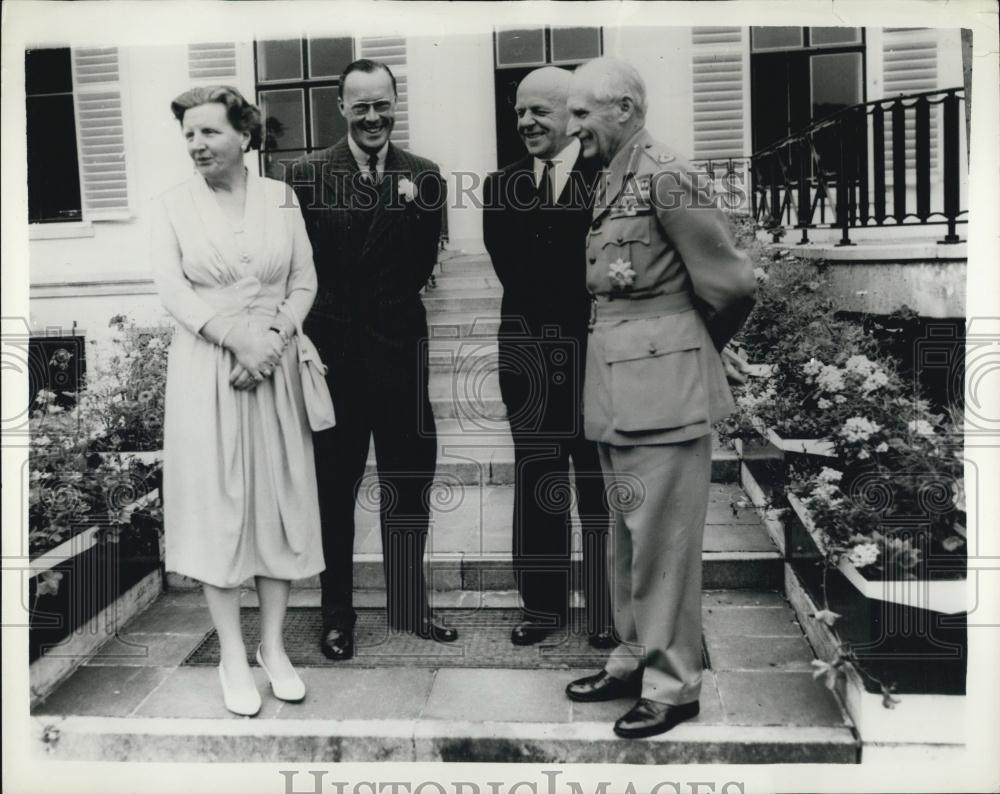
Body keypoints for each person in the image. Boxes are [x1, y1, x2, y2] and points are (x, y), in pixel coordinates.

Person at [561, 57, 756, 738]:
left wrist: (687, 350)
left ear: (623, 108)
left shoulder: (667, 175)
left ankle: (675, 686)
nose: (571, 125)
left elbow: (732, 285)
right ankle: (634, 655)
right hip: (616, 386)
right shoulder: (614, 176)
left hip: (664, 387)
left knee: (664, 545)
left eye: (582, 113)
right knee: (626, 538)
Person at [152, 86, 323, 716]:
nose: (197, 145)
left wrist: (272, 341)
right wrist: (237, 343)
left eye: (210, 132)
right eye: (189, 134)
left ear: (246, 136)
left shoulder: (280, 197)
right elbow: (173, 290)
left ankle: (273, 648)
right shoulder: (171, 206)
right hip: (209, 370)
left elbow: (304, 278)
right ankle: (230, 653)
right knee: (219, 506)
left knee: (276, 502)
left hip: (273, 366)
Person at [286, 59, 455, 661]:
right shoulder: (303, 177)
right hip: (336, 360)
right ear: (341, 108)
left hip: (400, 351)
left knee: (409, 481)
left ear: (394, 102)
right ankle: (337, 615)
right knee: (336, 489)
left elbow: (416, 268)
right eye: (361, 106)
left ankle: (410, 604)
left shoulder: (425, 176)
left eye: (382, 104)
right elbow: (297, 271)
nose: (374, 117)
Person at [483, 67, 615, 649]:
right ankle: (541, 607)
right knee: (538, 480)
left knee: (598, 485)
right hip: (530, 356)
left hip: (594, 356)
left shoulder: (609, 178)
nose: (526, 123)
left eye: (540, 111)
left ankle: (608, 608)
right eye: (519, 113)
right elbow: (514, 271)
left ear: (573, 114)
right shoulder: (500, 185)